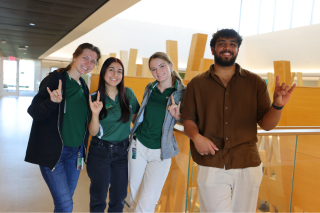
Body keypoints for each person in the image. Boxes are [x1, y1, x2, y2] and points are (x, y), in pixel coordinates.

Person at [182, 29, 296, 212]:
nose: (227, 48)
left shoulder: (256, 83)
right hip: (211, 162)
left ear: (237, 50)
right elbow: (188, 118)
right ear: (212, 49)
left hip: (247, 163)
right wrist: (196, 137)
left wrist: (277, 105)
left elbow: (266, 125)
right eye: (222, 43)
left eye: (232, 44)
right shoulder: (196, 84)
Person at [25, 43, 101, 213]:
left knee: (63, 204)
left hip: (76, 154)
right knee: (66, 205)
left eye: (93, 61)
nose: (88, 63)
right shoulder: (56, 79)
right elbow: (34, 110)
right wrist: (51, 102)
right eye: (85, 58)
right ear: (75, 57)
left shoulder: (83, 85)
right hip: (55, 153)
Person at [128, 52, 186, 212]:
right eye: (153, 69)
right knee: (133, 196)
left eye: (161, 66)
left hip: (161, 153)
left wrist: (179, 117)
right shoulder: (150, 87)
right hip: (138, 146)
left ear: (171, 66)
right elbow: (142, 115)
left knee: (147, 200)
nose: (158, 71)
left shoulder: (183, 93)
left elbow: (189, 122)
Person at [86, 57, 140, 212]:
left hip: (123, 151)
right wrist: (95, 114)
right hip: (100, 150)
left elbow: (137, 120)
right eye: (111, 69)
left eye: (119, 71)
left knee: (119, 198)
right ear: (104, 72)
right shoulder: (93, 98)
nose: (115, 74)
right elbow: (93, 132)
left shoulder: (128, 94)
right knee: (98, 198)